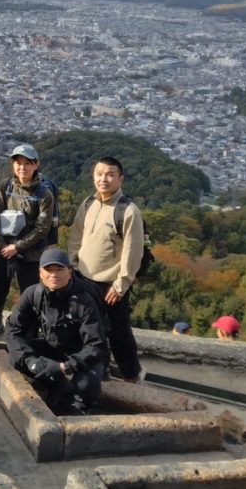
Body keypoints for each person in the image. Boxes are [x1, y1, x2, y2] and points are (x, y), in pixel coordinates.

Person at [67, 156, 146, 383]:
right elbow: (76, 236)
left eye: (110, 174)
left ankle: (131, 375)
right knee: (90, 330)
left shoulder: (128, 211)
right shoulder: (89, 203)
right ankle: (101, 370)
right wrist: (73, 266)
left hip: (111, 283)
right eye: (99, 174)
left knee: (119, 332)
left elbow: (133, 253)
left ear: (120, 179)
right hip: (83, 278)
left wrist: (121, 285)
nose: (104, 179)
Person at [7, 248, 109, 415]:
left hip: (83, 354)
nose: (54, 275)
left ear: (70, 272)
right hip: (54, 347)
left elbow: (96, 344)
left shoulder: (84, 300)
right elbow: (13, 329)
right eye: (48, 270)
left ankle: (78, 413)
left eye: (59, 269)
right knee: (15, 357)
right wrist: (32, 360)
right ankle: (55, 386)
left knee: (86, 385)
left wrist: (64, 367)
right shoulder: (33, 294)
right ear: (40, 273)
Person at [0, 144, 55, 341]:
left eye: (27, 164)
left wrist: (17, 247)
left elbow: (42, 228)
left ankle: (28, 333)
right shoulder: (6, 186)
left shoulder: (43, 193)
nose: (22, 168)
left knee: (29, 294)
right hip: (5, 248)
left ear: (36, 165)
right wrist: (2, 245)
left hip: (30, 252)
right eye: (18, 163)